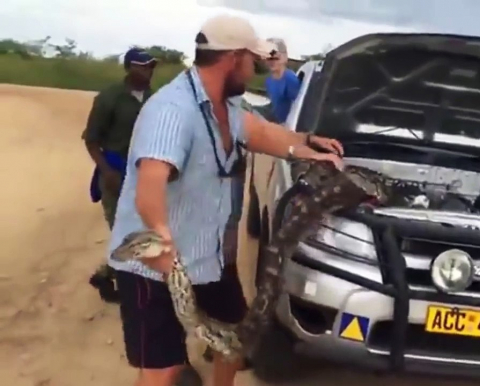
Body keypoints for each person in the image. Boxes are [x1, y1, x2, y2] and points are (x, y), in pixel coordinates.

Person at [107, 14, 344, 386]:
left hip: (210, 259)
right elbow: (149, 186)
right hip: (155, 267)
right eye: (252, 61)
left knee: (232, 343)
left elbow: (263, 133)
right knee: (163, 368)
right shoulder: (173, 111)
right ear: (233, 58)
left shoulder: (227, 109)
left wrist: (308, 146)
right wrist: (161, 242)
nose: (253, 71)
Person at [83, 48, 157, 303]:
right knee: (124, 233)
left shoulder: (153, 98)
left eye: (150, 66)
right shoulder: (109, 98)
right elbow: (91, 140)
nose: (147, 71)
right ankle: (123, 286)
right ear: (129, 68)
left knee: (141, 232)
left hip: (142, 175)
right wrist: (107, 171)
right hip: (114, 173)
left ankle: (106, 274)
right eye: (142, 66)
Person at [264, 37, 301, 123]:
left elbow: (297, 109)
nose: (272, 62)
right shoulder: (269, 80)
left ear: (284, 57)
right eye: (269, 58)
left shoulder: (290, 80)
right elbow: (274, 106)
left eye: (276, 58)